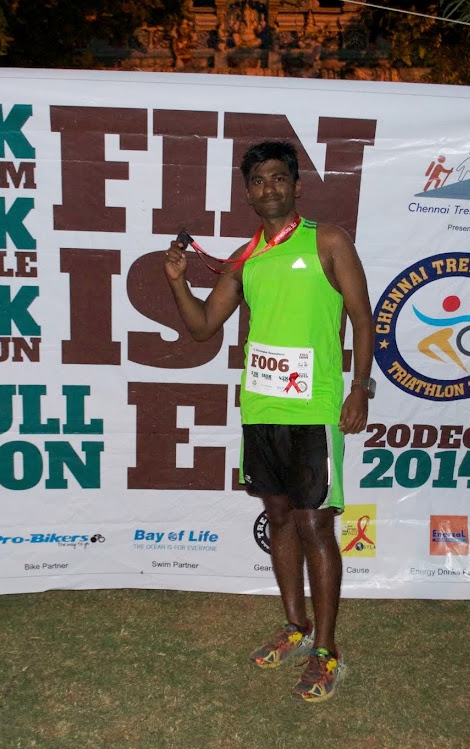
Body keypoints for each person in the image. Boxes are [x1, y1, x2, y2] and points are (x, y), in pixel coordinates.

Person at [164, 140, 375, 703]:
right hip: (261, 407)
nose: (269, 188)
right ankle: (295, 627)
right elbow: (203, 327)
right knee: (279, 518)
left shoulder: (328, 241)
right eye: (258, 181)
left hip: (314, 408)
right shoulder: (244, 257)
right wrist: (178, 280)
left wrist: (360, 388)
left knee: (315, 525)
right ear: (248, 193)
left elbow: (362, 317)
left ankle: (326, 650)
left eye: (279, 177)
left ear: (296, 185)